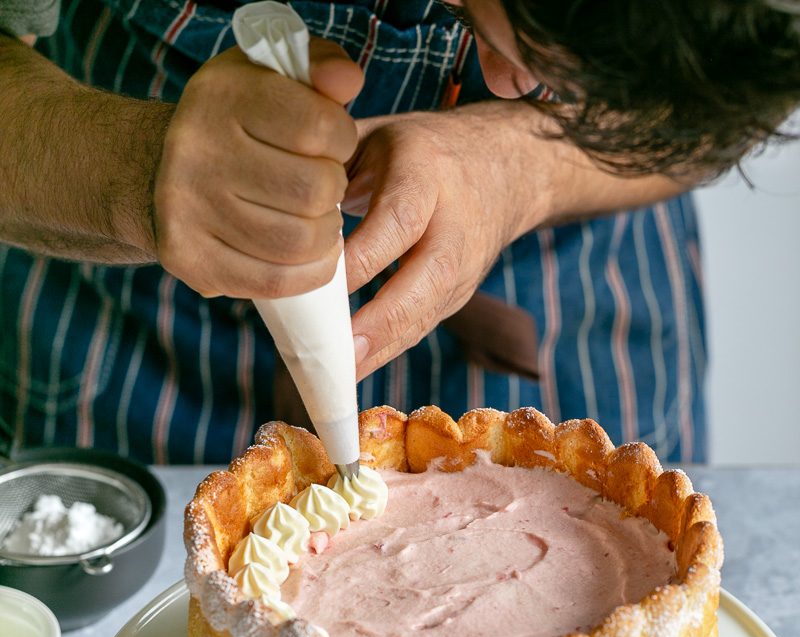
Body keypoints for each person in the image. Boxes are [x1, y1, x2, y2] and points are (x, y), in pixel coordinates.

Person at [1, 0, 798, 465]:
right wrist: (131, 174)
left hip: (574, 303)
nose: (514, 85)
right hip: (128, 342)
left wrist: (525, 167)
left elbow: (745, 90)